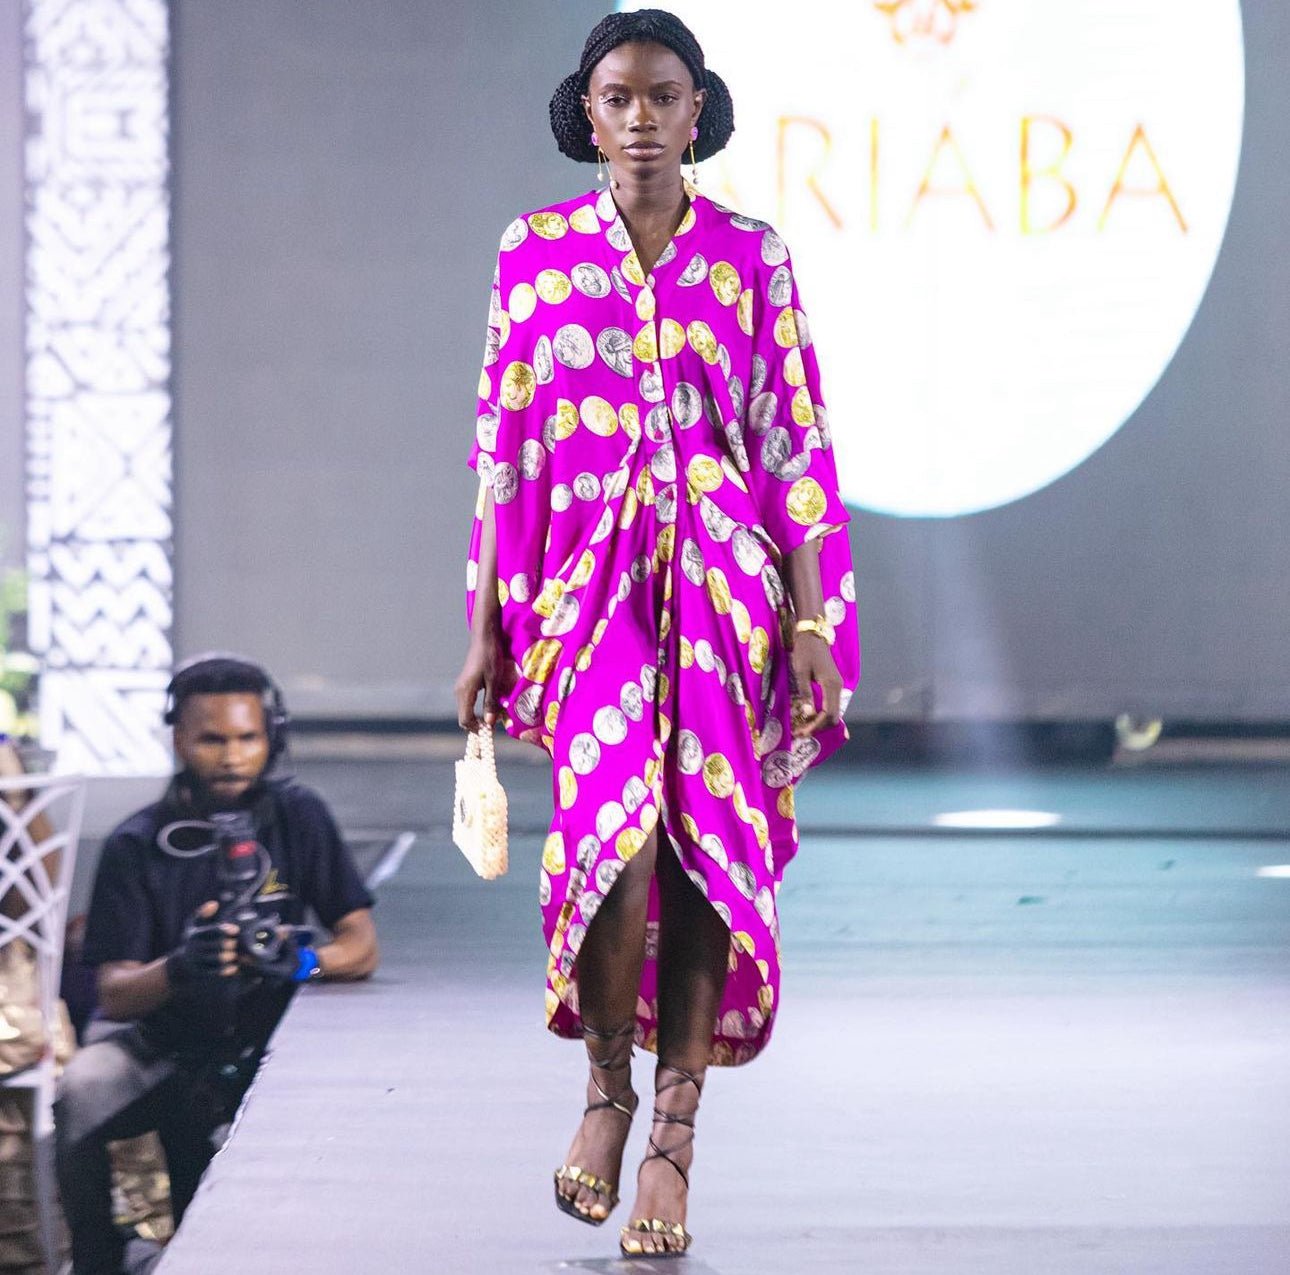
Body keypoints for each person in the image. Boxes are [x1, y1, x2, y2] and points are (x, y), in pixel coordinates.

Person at [454, 7, 860, 1258]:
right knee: (618, 845)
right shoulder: (533, 252)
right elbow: (502, 451)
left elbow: (792, 440)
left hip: (728, 596)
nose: (639, 117)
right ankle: (607, 1095)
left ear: (699, 111)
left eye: (663, 95)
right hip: (587, 596)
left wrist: (808, 615)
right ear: (587, 110)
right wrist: (482, 627)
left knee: (702, 867)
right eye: (617, 96)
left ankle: (673, 1146)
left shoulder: (752, 255)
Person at [55, 654, 379, 1275]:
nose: (232, 756)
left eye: (247, 738)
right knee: (82, 1088)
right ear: (179, 739)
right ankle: (100, 1256)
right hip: (162, 1041)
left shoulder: (298, 816)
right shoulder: (135, 843)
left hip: (274, 1041)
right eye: (212, 739)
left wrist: (298, 958)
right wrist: (180, 967)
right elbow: (114, 993)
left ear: (271, 738)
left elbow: (361, 944)